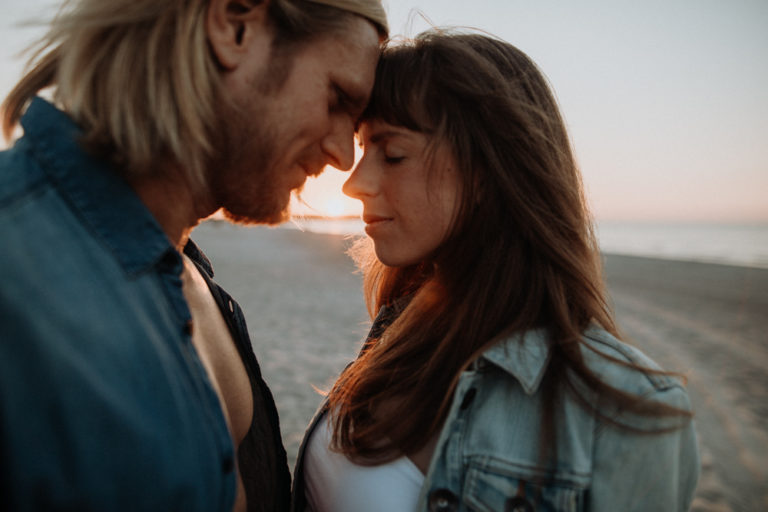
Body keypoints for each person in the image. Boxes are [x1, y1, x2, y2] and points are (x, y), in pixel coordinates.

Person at [0, 0, 387, 510]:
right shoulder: (15, 270)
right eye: (337, 97)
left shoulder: (190, 274)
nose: (343, 154)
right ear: (235, 25)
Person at [291, 30, 700, 511]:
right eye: (362, 149)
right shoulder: (401, 329)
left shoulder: (628, 414)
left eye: (393, 154)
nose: (354, 183)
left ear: (488, 170)